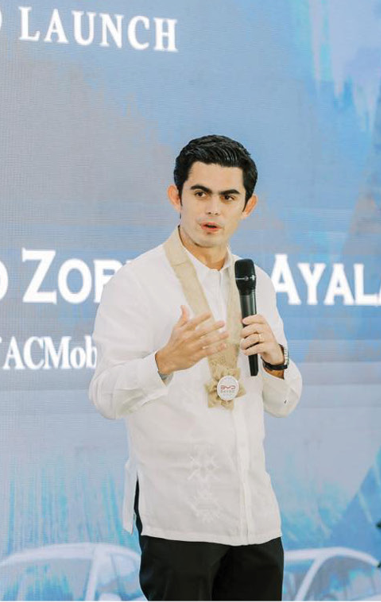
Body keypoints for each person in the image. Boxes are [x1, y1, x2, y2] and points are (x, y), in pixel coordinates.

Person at [88, 134, 304, 601]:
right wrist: (165, 362)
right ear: (176, 197)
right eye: (200, 193)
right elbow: (105, 394)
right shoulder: (136, 282)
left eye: (228, 197)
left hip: (255, 517)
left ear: (248, 207)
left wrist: (276, 360)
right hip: (179, 519)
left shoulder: (256, 281)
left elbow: (282, 403)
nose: (213, 210)